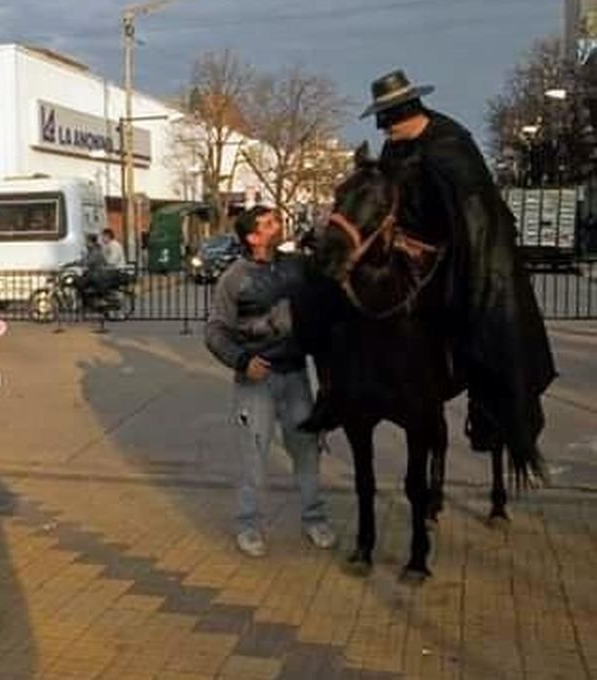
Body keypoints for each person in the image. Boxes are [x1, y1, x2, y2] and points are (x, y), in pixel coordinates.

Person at [305, 70, 556, 472]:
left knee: (477, 309)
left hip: (457, 247)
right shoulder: (393, 149)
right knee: (336, 287)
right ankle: (336, 389)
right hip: (403, 245)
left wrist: (436, 244)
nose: (384, 132)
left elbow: (473, 210)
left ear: (405, 113)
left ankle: (486, 393)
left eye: (387, 122)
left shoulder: (449, 143)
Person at [205, 206, 336, 558]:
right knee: (254, 456)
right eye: (268, 224)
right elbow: (215, 330)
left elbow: (330, 275)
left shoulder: (296, 266)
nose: (277, 226)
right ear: (252, 237)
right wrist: (243, 361)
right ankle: (248, 526)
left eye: (276, 221)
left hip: (295, 376)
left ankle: (315, 519)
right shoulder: (235, 277)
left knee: (306, 450)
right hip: (255, 383)